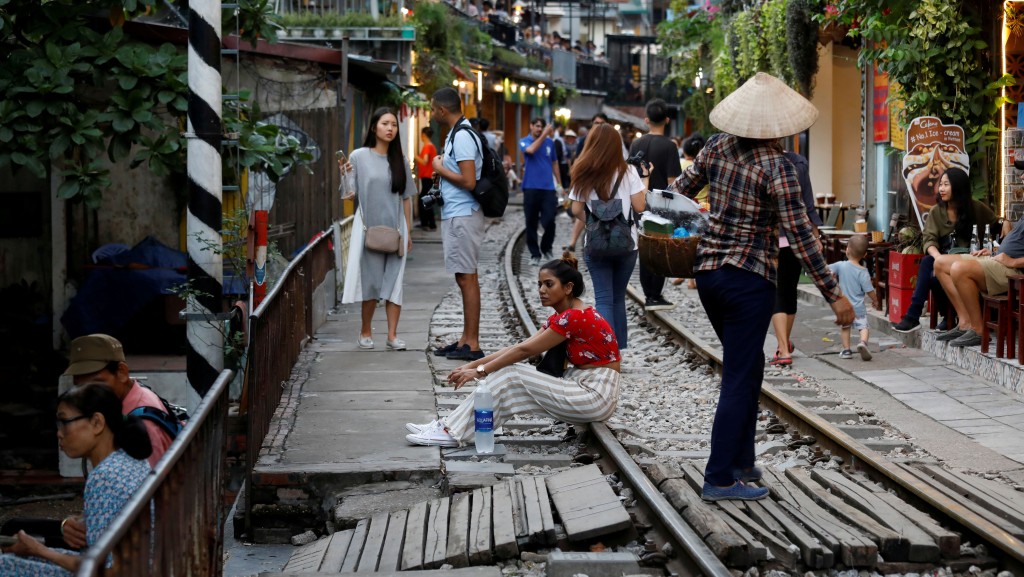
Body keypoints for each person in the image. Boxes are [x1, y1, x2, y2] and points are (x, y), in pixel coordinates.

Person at [669, 73, 853, 501]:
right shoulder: (778, 167)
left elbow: (677, 192)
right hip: (749, 280)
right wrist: (835, 294)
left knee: (749, 369)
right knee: (739, 374)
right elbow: (803, 236)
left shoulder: (716, 146)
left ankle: (743, 462)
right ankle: (718, 477)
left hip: (710, 275)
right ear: (780, 127)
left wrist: (706, 215)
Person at [405, 253, 620, 447]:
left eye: (548, 284)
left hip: (596, 394)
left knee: (510, 373)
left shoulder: (575, 317)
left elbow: (525, 351)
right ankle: (451, 426)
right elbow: (517, 347)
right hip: (583, 387)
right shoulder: (565, 315)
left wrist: (480, 371)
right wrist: (472, 365)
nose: (541, 291)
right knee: (507, 375)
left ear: (568, 287)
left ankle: (452, 431)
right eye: (539, 284)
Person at [0, 384, 151, 575]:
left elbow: (106, 570)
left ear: (97, 423)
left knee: (4, 565)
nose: (59, 433)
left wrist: (38, 550)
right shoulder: (131, 458)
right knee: (12, 558)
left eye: (65, 422)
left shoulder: (105, 477)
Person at [341, 107, 416, 351]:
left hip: (397, 229)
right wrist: (346, 178)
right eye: (385, 123)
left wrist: (409, 233)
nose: (390, 128)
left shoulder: (400, 161)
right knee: (371, 284)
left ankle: (392, 336)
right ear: (374, 127)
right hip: (367, 230)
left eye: (394, 124)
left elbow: (406, 198)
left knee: (395, 284)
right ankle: (365, 331)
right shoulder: (358, 156)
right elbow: (349, 195)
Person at [567, 123, 646, 349]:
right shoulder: (628, 171)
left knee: (603, 298)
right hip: (626, 244)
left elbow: (575, 210)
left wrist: (595, 221)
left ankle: (607, 351)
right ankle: (619, 348)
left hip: (595, 243)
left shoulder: (582, 170)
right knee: (618, 297)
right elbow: (640, 206)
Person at [892, 167, 999, 333]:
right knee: (931, 266)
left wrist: (1002, 232)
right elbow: (929, 240)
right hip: (946, 260)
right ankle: (944, 316)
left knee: (931, 267)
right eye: (940, 184)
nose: (941, 188)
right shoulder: (937, 212)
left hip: (972, 260)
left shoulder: (976, 207)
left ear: (958, 186)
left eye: (946, 184)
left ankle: (916, 316)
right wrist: (938, 257)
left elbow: (996, 223)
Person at [430, 87, 486, 361]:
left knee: (467, 278)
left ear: (442, 110)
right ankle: (465, 339)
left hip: (463, 213)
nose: (431, 114)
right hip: (458, 213)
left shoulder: (462, 136)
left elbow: (468, 181)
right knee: (464, 276)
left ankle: (472, 344)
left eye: (432, 109)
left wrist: (440, 169)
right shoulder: (457, 134)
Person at [932, 216, 1024, 348]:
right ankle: (965, 323)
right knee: (940, 263)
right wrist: (994, 251)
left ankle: (978, 330)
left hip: (1014, 270)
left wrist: (1013, 261)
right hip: (997, 258)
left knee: (959, 269)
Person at [767, 150, 822, 367]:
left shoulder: (760, 162)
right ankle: (784, 344)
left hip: (770, 237)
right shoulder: (798, 162)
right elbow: (808, 203)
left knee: (777, 291)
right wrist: (815, 235)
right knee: (789, 289)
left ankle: (782, 348)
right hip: (796, 238)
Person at [630, 98, 682, 312]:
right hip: (661, 207)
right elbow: (673, 182)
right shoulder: (670, 146)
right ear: (667, 120)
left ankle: (649, 294)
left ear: (646, 119)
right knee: (660, 249)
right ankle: (655, 294)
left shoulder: (636, 144)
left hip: (639, 201)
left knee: (645, 247)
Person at [829, 234, 880, 360]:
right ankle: (863, 343)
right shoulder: (863, 272)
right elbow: (869, 290)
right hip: (859, 308)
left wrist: (832, 277)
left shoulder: (840, 265)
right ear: (864, 255)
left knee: (845, 328)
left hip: (845, 307)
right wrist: (875, 300)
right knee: (864, 327)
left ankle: (846, 351)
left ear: (847, 249)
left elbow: (826, 271)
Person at [519, 118, 560, 265]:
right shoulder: (525, 141)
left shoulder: (550, 143)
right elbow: (530, 150)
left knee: (549, 219)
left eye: (541, 127)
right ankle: (535, 254)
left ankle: (546, 248)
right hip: (530, 187)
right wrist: (545, 135)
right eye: (536, 126)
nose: (539, 129)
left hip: (548, 188)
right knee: (531, 221)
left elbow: (554, 162)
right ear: (531, 126)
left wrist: (559, 184)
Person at [414, 127, 438, 231]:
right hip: (428, 177)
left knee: (424, 200)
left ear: (423, 135)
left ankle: (429, 224)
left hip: (427, 177)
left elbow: (425, 161)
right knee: (425, 199)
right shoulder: (430, 146)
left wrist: (415, 156)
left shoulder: (428, 146)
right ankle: (428, 223)